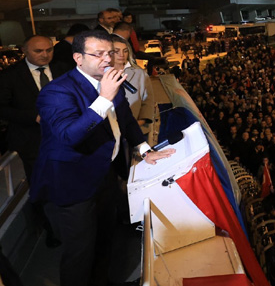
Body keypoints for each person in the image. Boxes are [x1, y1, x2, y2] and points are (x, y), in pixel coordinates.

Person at [29, 30, 174, 286]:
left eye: (109, 53)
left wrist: (144, 149)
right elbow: (69, 136)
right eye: (98, 54)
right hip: (74, 183)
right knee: (80, 253)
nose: (107, 59)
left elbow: (126, 119)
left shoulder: (107, 80)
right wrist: (104, 97)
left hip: (105, 174)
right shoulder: (56, 92)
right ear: (78, 58)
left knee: (105, 240)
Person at [0, 35, 69, 181]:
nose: (45, 55)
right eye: (38, 51)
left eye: (49, 50)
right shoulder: (9, 76)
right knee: (41, 183)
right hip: (32, 141)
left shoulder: (64, 69)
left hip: (66, 136)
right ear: (25, 51)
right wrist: (34, 117)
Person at [111, 36, 154, 133]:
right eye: (116, 51)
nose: (121, 54)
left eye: (125, 51)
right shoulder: (101, 74)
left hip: (137, 129)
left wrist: (141, 122)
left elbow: (148, 101)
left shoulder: (139, 73)